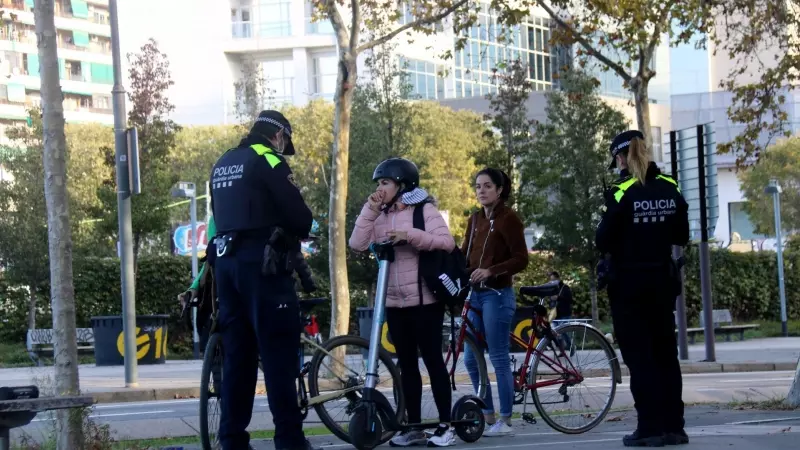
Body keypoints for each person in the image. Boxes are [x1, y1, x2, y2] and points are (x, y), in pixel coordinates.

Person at [209, 110, 316, 450]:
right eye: (285, 142)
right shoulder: (267, 159)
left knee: (238, 358)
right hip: (263, 267)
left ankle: (232, 440)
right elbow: (300, 218)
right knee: (278, 355)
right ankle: (289, 439)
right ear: (279, 136)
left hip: (226, 266)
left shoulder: (224, 161)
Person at [349, 157, 457, 447]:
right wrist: (370, 208)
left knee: (433, 362)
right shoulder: (379, 215)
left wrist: (408, 235)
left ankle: (446, 425)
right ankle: (414, 426)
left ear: (402, 184)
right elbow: (356, 244)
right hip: (395, 303)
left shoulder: (424, 210)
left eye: (385, 182)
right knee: (406, 366)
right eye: (378, 184)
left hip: (426, 301)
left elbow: (446, 242)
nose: (380, 188)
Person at [595, 130, 690, 447]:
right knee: (665, 355)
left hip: (629, 286)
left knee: (640, 357)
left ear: (620, 158)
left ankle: (649, 428)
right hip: (662, 283)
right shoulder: (670, 187)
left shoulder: (622, 192)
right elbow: (682, 235)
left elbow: (602, 240)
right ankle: (674, 427)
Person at [461, 168, 529, 437]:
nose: (481, 191)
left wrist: (492, 270)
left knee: (498, 357)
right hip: (474, 294)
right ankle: (487, 413)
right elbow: (466, 257)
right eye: (478, 186)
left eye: (487, 186)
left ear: (500, 190)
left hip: (497, 295)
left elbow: (521, 258)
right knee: (470, 358)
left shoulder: (509, 219)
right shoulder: (474, 219)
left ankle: (506, 419)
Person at [178, 215, 217, 354]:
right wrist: (193, 289)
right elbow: (210, 260)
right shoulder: (215, 219)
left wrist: (194, 289)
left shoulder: (216, 217)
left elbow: (210, 260)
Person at [548, 271, 573, 352]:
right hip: (555, 314)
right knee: (555, 332)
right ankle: (561, 350)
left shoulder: (565, 288)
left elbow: (570, 300)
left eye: (554, 280)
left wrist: (558, 298)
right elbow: (551, 300)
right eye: (551, 280)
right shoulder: (552, 289)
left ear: (558, 279)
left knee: (564, 332)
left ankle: (571, 347)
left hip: (564, 313)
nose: (552, 282)